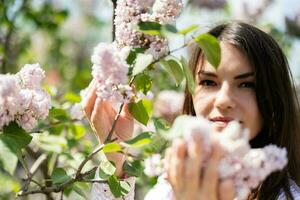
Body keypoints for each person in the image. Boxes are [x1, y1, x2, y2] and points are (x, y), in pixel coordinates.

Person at [83, 22, 300, 200]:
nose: (223, 100)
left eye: (246, 85)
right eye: (208, 82)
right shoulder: (170, 183)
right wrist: (116, 160)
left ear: (273, 97)